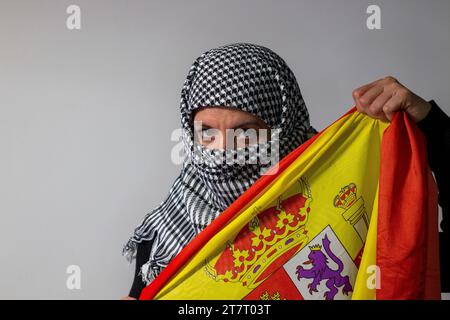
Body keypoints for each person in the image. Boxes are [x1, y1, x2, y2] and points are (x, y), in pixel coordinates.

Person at [121, 43, 450, 299]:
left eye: (246, 132)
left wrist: (431, 124)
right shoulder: (166, 236)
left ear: (284, 129)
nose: (223, 151)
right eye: (206, 132)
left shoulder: (344, 205)